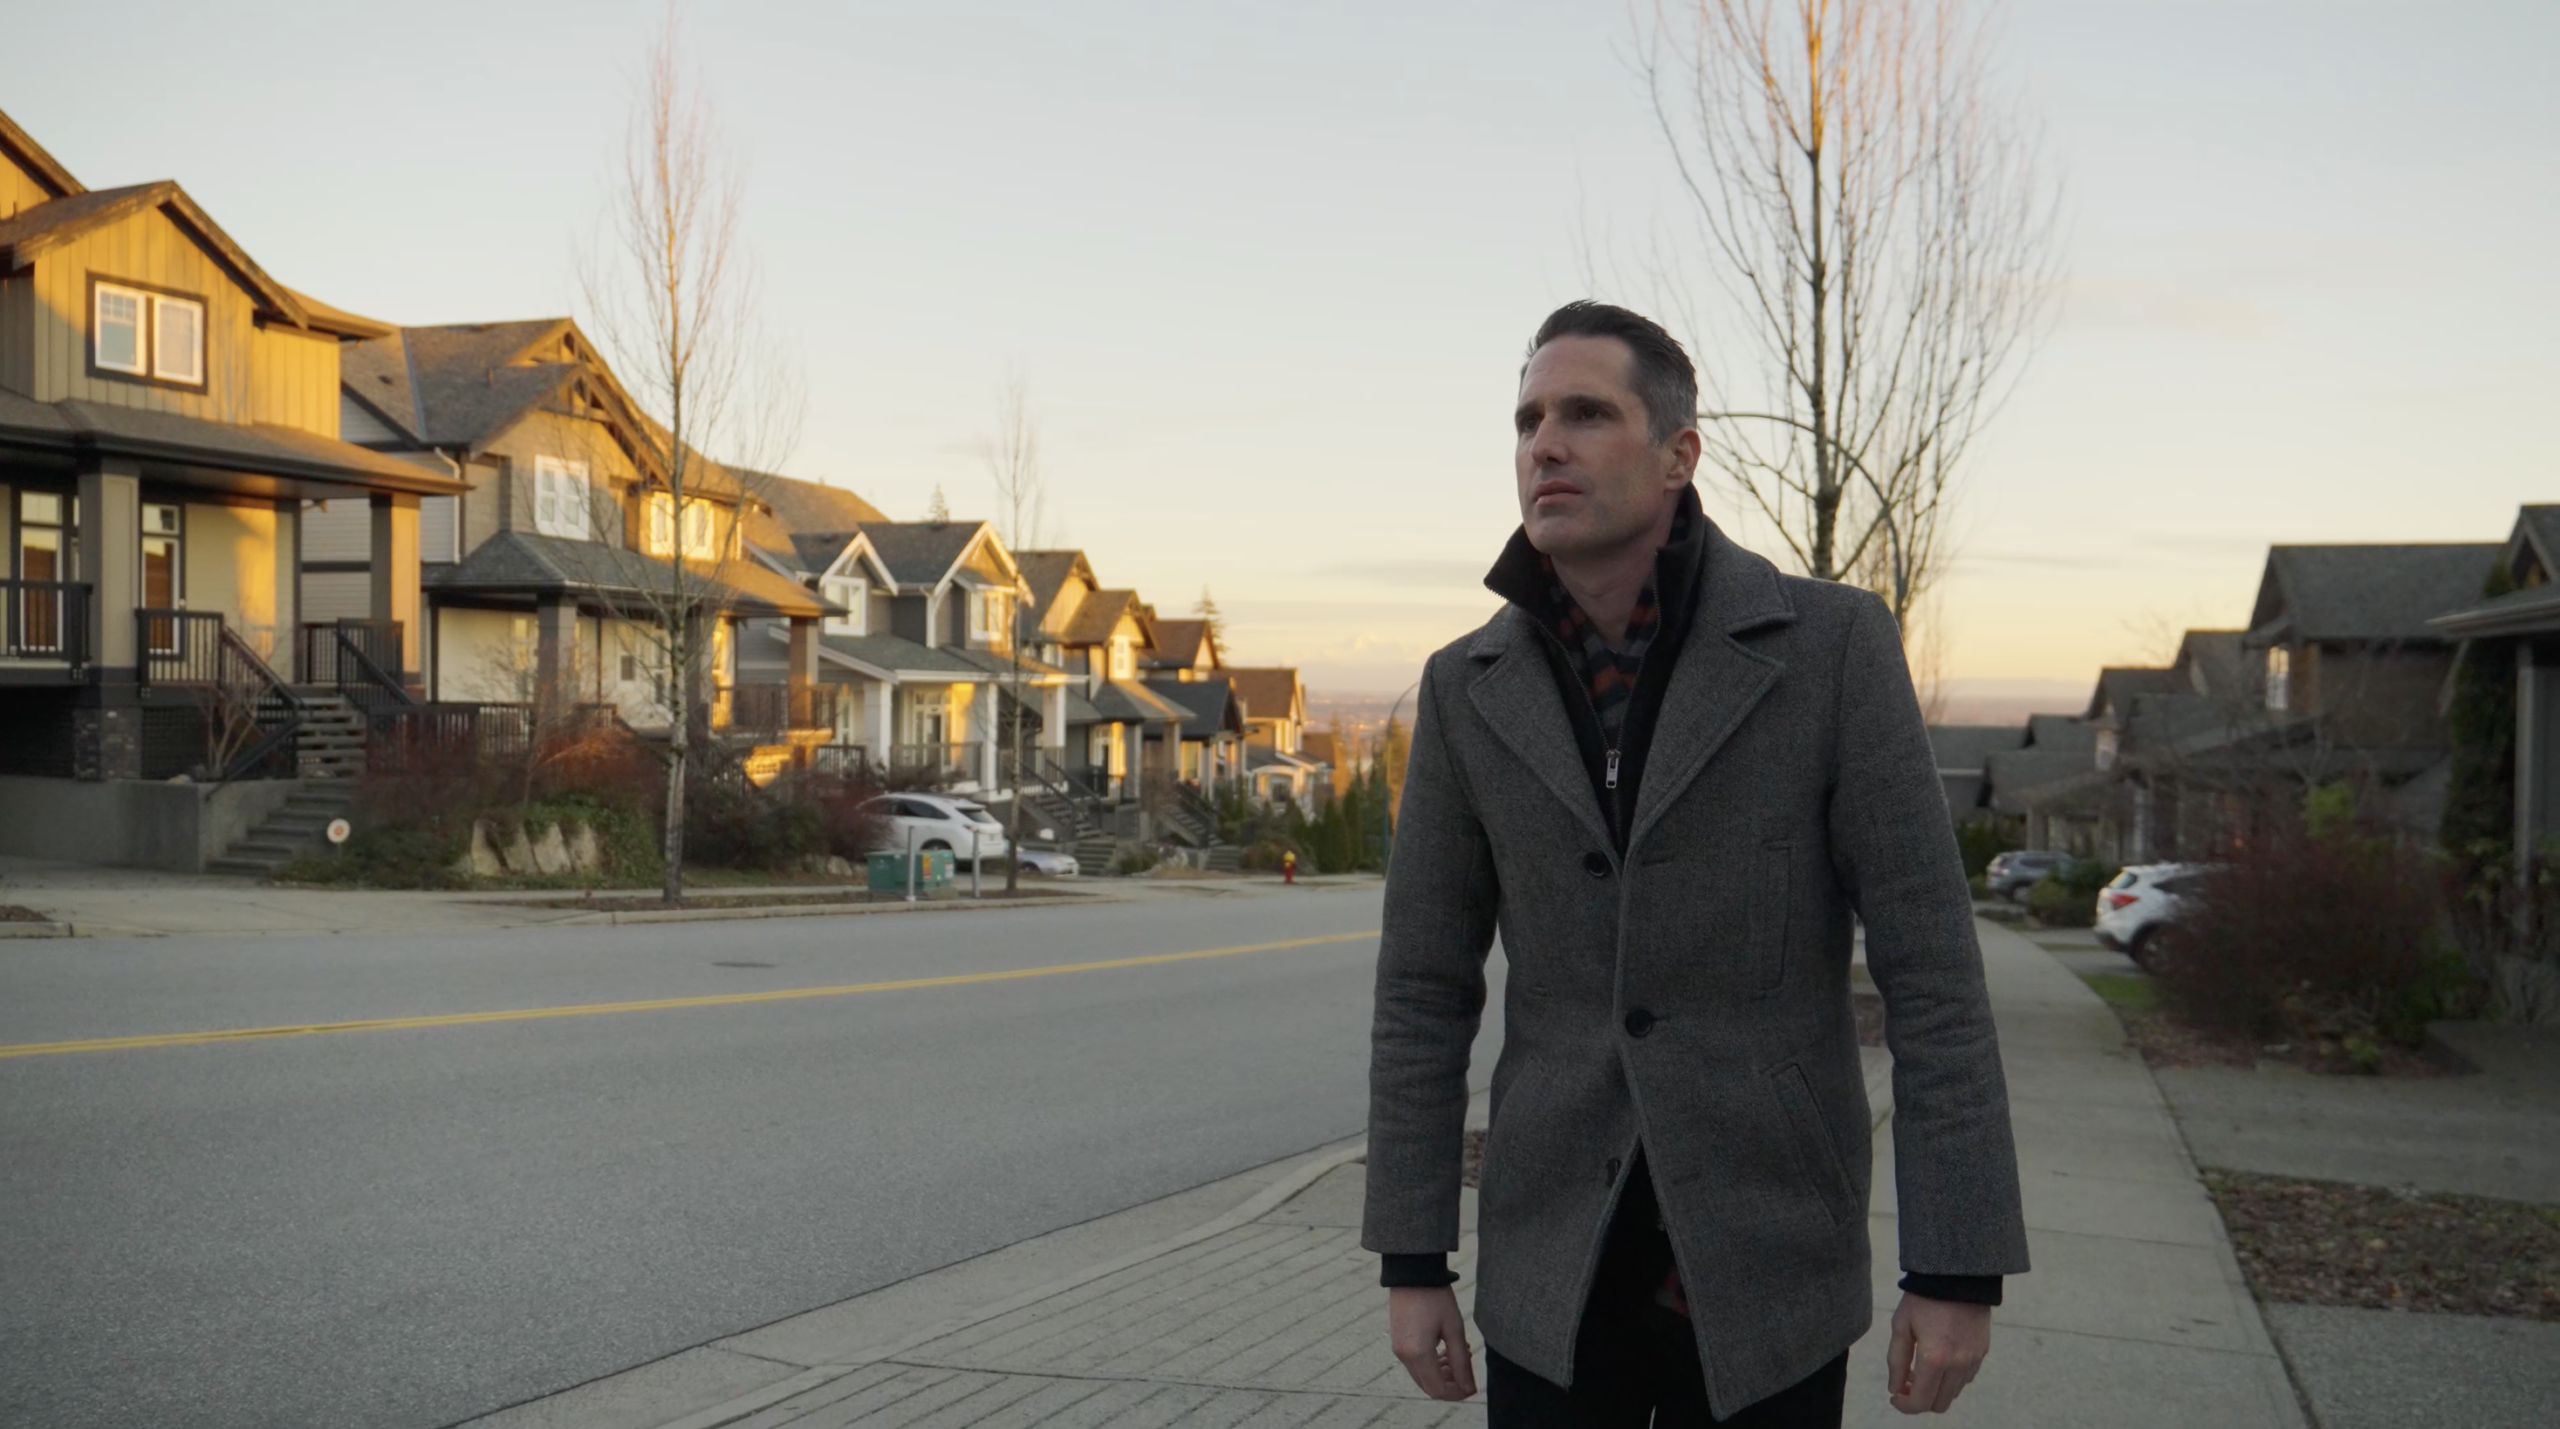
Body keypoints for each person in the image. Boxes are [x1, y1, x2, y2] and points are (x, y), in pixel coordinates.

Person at [1364, 302, 2029, 1426]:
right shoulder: (1466, 686)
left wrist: (1956, 1267)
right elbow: (1422, 989)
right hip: (1551, 1269)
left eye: (1586, 413)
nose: (1545, 444)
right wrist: (1412, 1256)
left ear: (1678, 455)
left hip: (1768, 1267)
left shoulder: (1830, 649)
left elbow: (1933, 973)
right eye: (1527, 420)